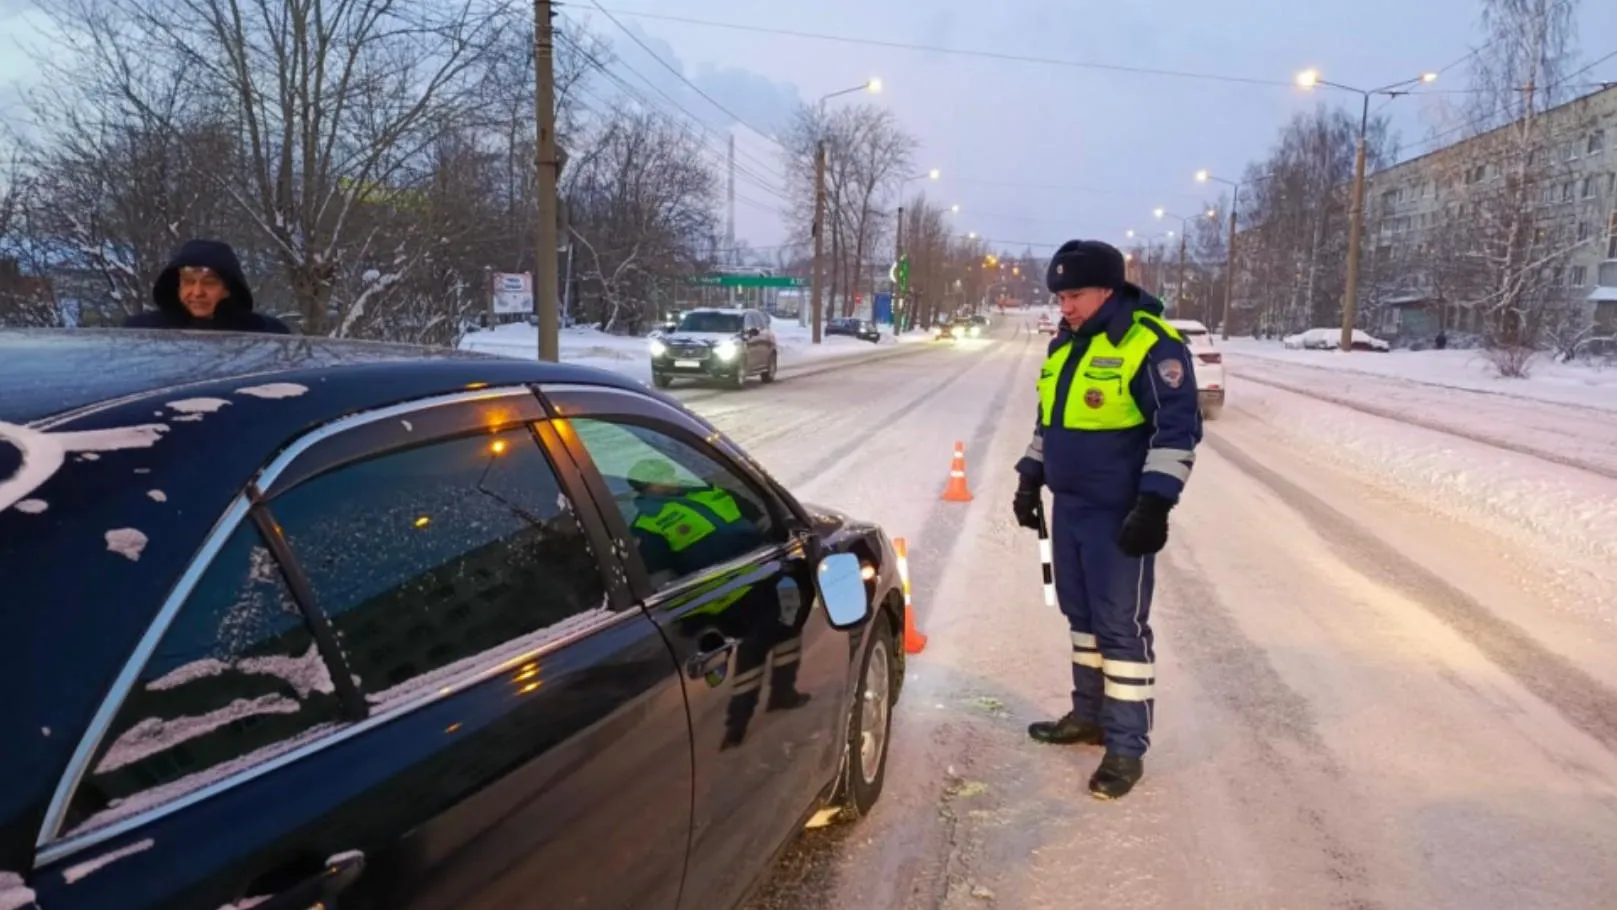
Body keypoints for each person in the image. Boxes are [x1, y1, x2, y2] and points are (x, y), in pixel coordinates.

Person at [1012, 239, 1203, 800]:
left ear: (1108, 290)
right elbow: (1050, 422)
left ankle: (1125, 747)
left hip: (1119, 515)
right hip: (1068, 508)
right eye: (1059, 296)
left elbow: (1178, 433)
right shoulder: (1066, 345)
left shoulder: (1151, 345)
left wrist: (1155, 505)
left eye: (1074, 295)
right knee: (1082, 618)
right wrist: (1030, 477)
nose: (1064, 306)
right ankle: (1088, 716)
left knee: (1120, 627)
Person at [625, 459, 809, 749]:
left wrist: (783, 547)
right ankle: (737, 725)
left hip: (761, 580)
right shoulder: (647, 526)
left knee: (787, 631)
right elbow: (664, 584)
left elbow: (766, 524)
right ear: (644, 487)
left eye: (669, 470)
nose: (671, 476)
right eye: (660, 476)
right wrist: (688, 620)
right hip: (722, 602)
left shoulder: (712, 493)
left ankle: (781, 693)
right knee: (753, 652)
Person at [124, 239, 291, 334]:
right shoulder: (141, 333)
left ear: (228, 288)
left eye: (209, 283)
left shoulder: (265, 334)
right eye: (189, 282)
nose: (197, 293)